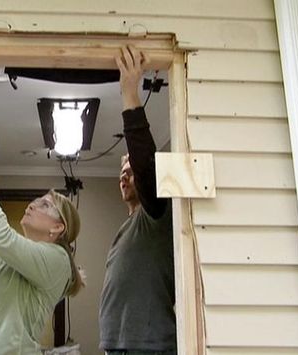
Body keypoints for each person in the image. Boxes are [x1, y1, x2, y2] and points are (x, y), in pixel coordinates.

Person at [0, 130, 84, 355]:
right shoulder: (10, 259)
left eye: (44, 205)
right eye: (35, 201)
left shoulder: (58, 261)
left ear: (58, 227)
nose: (32, 205)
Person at [99, 46, 176, 354]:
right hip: (118, 347)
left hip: (147, 348)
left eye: (129, 171)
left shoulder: (156, 215)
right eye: (121, 171)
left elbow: (146, 166)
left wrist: (130, 93)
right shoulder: (127, 228)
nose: (124, 175)